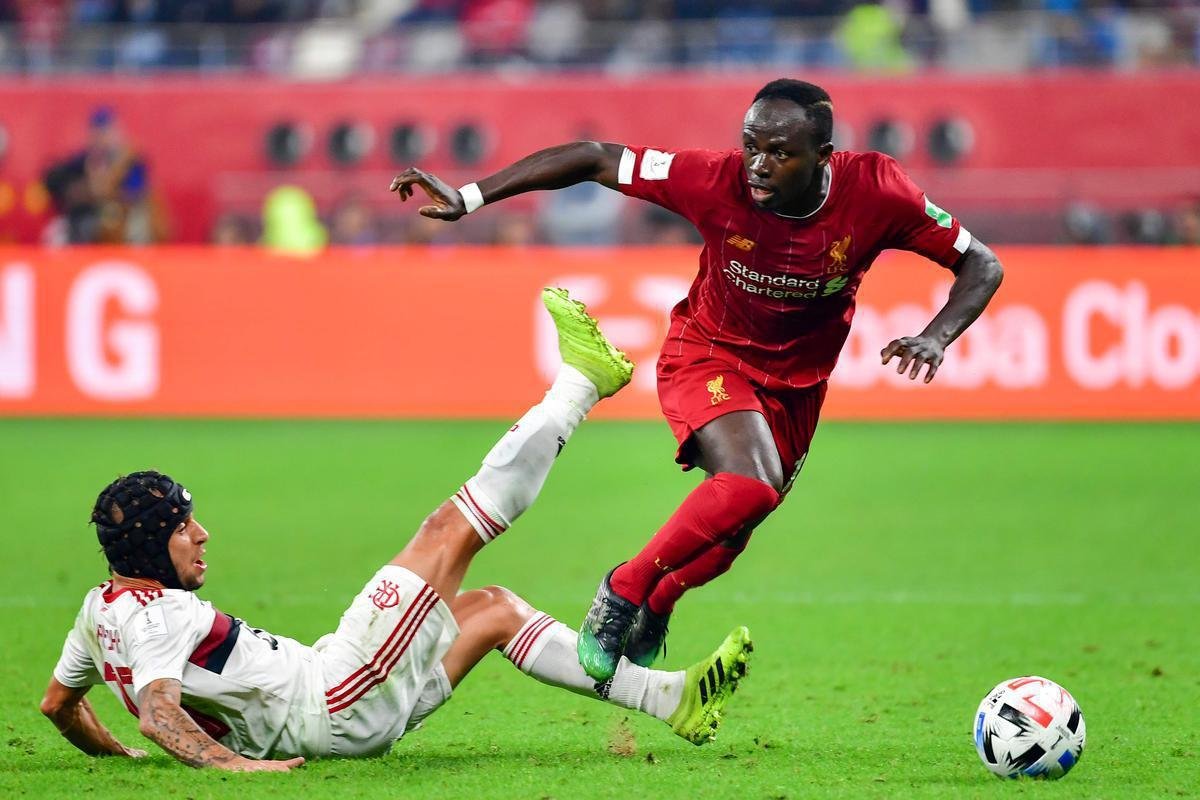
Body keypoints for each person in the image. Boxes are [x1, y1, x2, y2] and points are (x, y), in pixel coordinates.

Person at [388, 78, 1004, 681]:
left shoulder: (877, 190)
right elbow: (595, 157)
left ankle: (660, 601)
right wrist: (470, 196)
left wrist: (936, 335)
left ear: (824, 157)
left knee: (731, 532)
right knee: (750, 485)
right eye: (751, 145)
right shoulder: (713, 179)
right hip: (708, 354)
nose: (759, 165)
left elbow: (982, 263)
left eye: (780, 153)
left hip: (796, 385)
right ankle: (622, 590)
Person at [39, 289, 753, 772]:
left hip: (340, 706)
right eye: (183, 526)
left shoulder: (97, 611)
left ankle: (669, 697)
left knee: (492, 611)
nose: (202, 534)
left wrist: (122, 764)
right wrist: (237, 768)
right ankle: (580, 386)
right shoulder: (158, 617)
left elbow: (58, 706)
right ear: (147, 545)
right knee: (450, 529)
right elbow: (158, 713)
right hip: (336, 693)